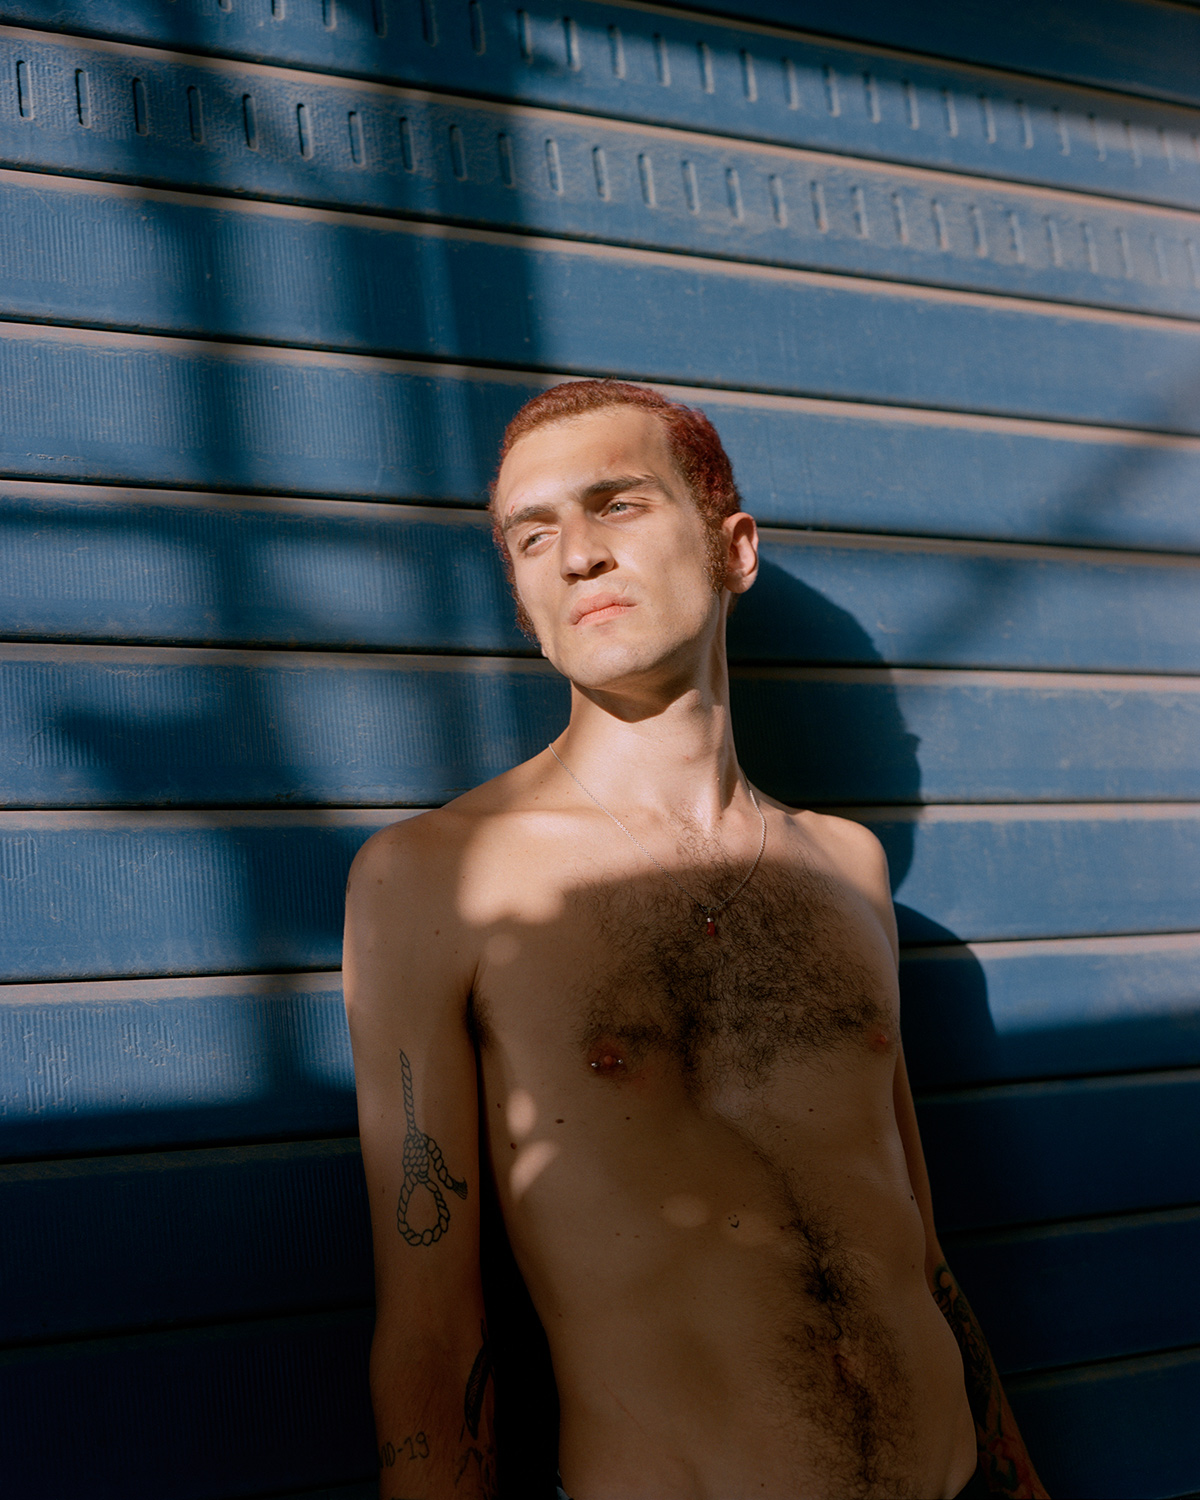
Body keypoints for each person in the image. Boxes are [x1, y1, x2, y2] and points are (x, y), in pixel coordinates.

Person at [343, 380, 1048, 1500]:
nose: (577, 555)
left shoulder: (849, 870)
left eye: (616, 505)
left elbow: (919, 1250)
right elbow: (433, 1329)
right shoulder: (436, 877)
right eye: (533, 536)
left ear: (735, 550)